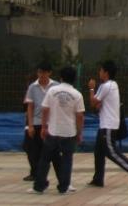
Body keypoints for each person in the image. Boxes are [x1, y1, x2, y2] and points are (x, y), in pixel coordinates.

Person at [87, 60, 128, 187]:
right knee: (98, 152)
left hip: (108, 126)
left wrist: (91, 88)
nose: (99, 72)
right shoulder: (113, 85)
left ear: (106, 73)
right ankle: (98, 178)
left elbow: (93, 103)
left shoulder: (105, 86)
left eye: (101, 70)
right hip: (105, 124)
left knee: (111, 152)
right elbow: (99, 104)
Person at [32, 66, 84, 195]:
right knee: (67, 160)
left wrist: (43, 127)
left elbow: (44, 109)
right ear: (74, 79)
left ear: (61, 78)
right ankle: (63, 186)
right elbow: (80, 116)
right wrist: (79, 133)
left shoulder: (52, 90)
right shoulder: (77, 94)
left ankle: (39, 185)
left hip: (53, 130)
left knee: (45, 159)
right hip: (69, 132)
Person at [23, 61, 59, 182]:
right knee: (32, 150)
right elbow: (30, 106)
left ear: (49, 73)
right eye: (39, 72)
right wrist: (30, 125)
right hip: (36, 122)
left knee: (51, 153)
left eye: (44, 72)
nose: (41, 75)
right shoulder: (33, 87)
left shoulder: (56, 86)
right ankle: (37, 175)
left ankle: (44, 176)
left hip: (51, 124)